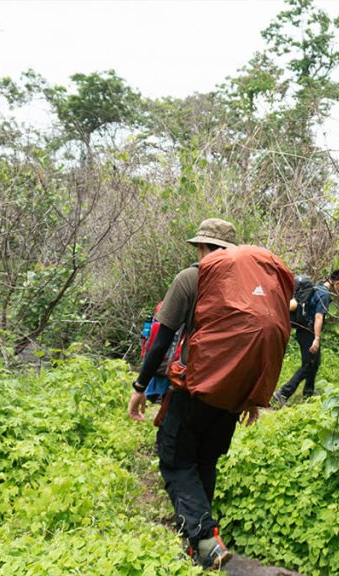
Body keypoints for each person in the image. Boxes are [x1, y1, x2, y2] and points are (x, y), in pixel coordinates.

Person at [127, 218, 239, 569]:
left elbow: (161, 339)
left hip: (197, 388)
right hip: (233, 395)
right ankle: (199, 545)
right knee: (203, 461)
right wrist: (253, 395)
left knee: (175, 460)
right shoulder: (249, 286)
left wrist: (140, 386)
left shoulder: (190, 279)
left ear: (202, 248)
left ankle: (205, 540)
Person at [273, 269, 339, 404]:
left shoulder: (318, 286)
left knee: (315, 362)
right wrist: (317, 339)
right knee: (308, 364)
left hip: (305, 330)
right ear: (337, 282)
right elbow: (318, 316)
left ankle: (308, 391)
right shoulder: (324, 294)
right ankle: (283, 393)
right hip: (308, 332)